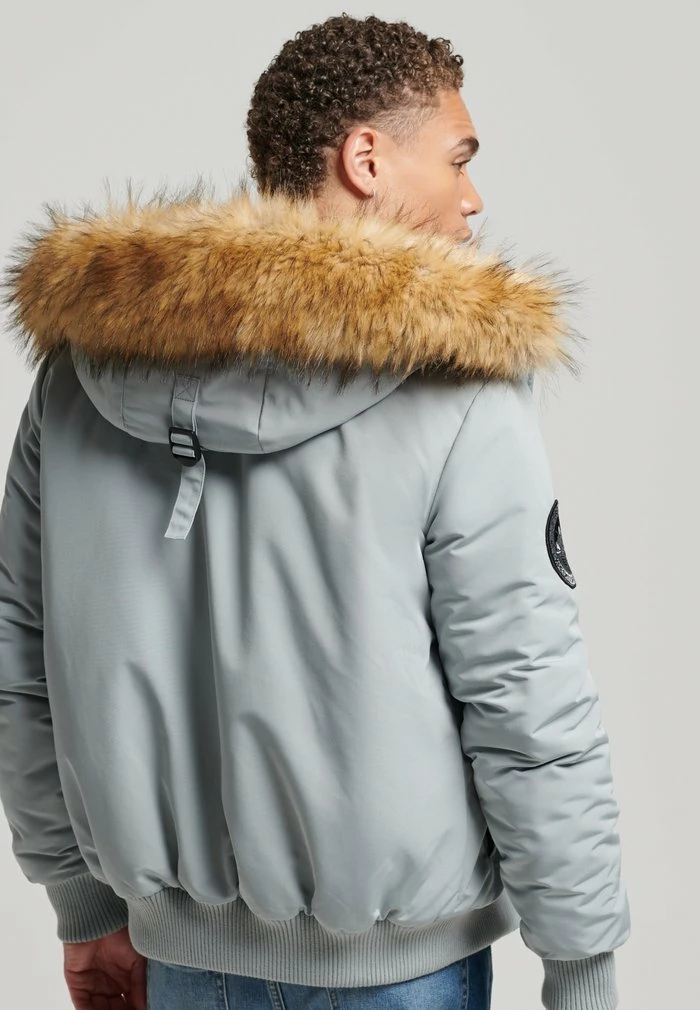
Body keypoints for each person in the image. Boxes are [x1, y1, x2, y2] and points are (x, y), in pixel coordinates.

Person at [0, 12, 630, 1010]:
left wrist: (81, 905)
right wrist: (582, 962)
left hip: (178, 964)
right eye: (457, 159)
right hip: (399, 973)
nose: (472, 198)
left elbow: (20, 658)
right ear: (366, 160)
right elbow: (523, 696)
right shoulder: (457, 390)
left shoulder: (78, 377)